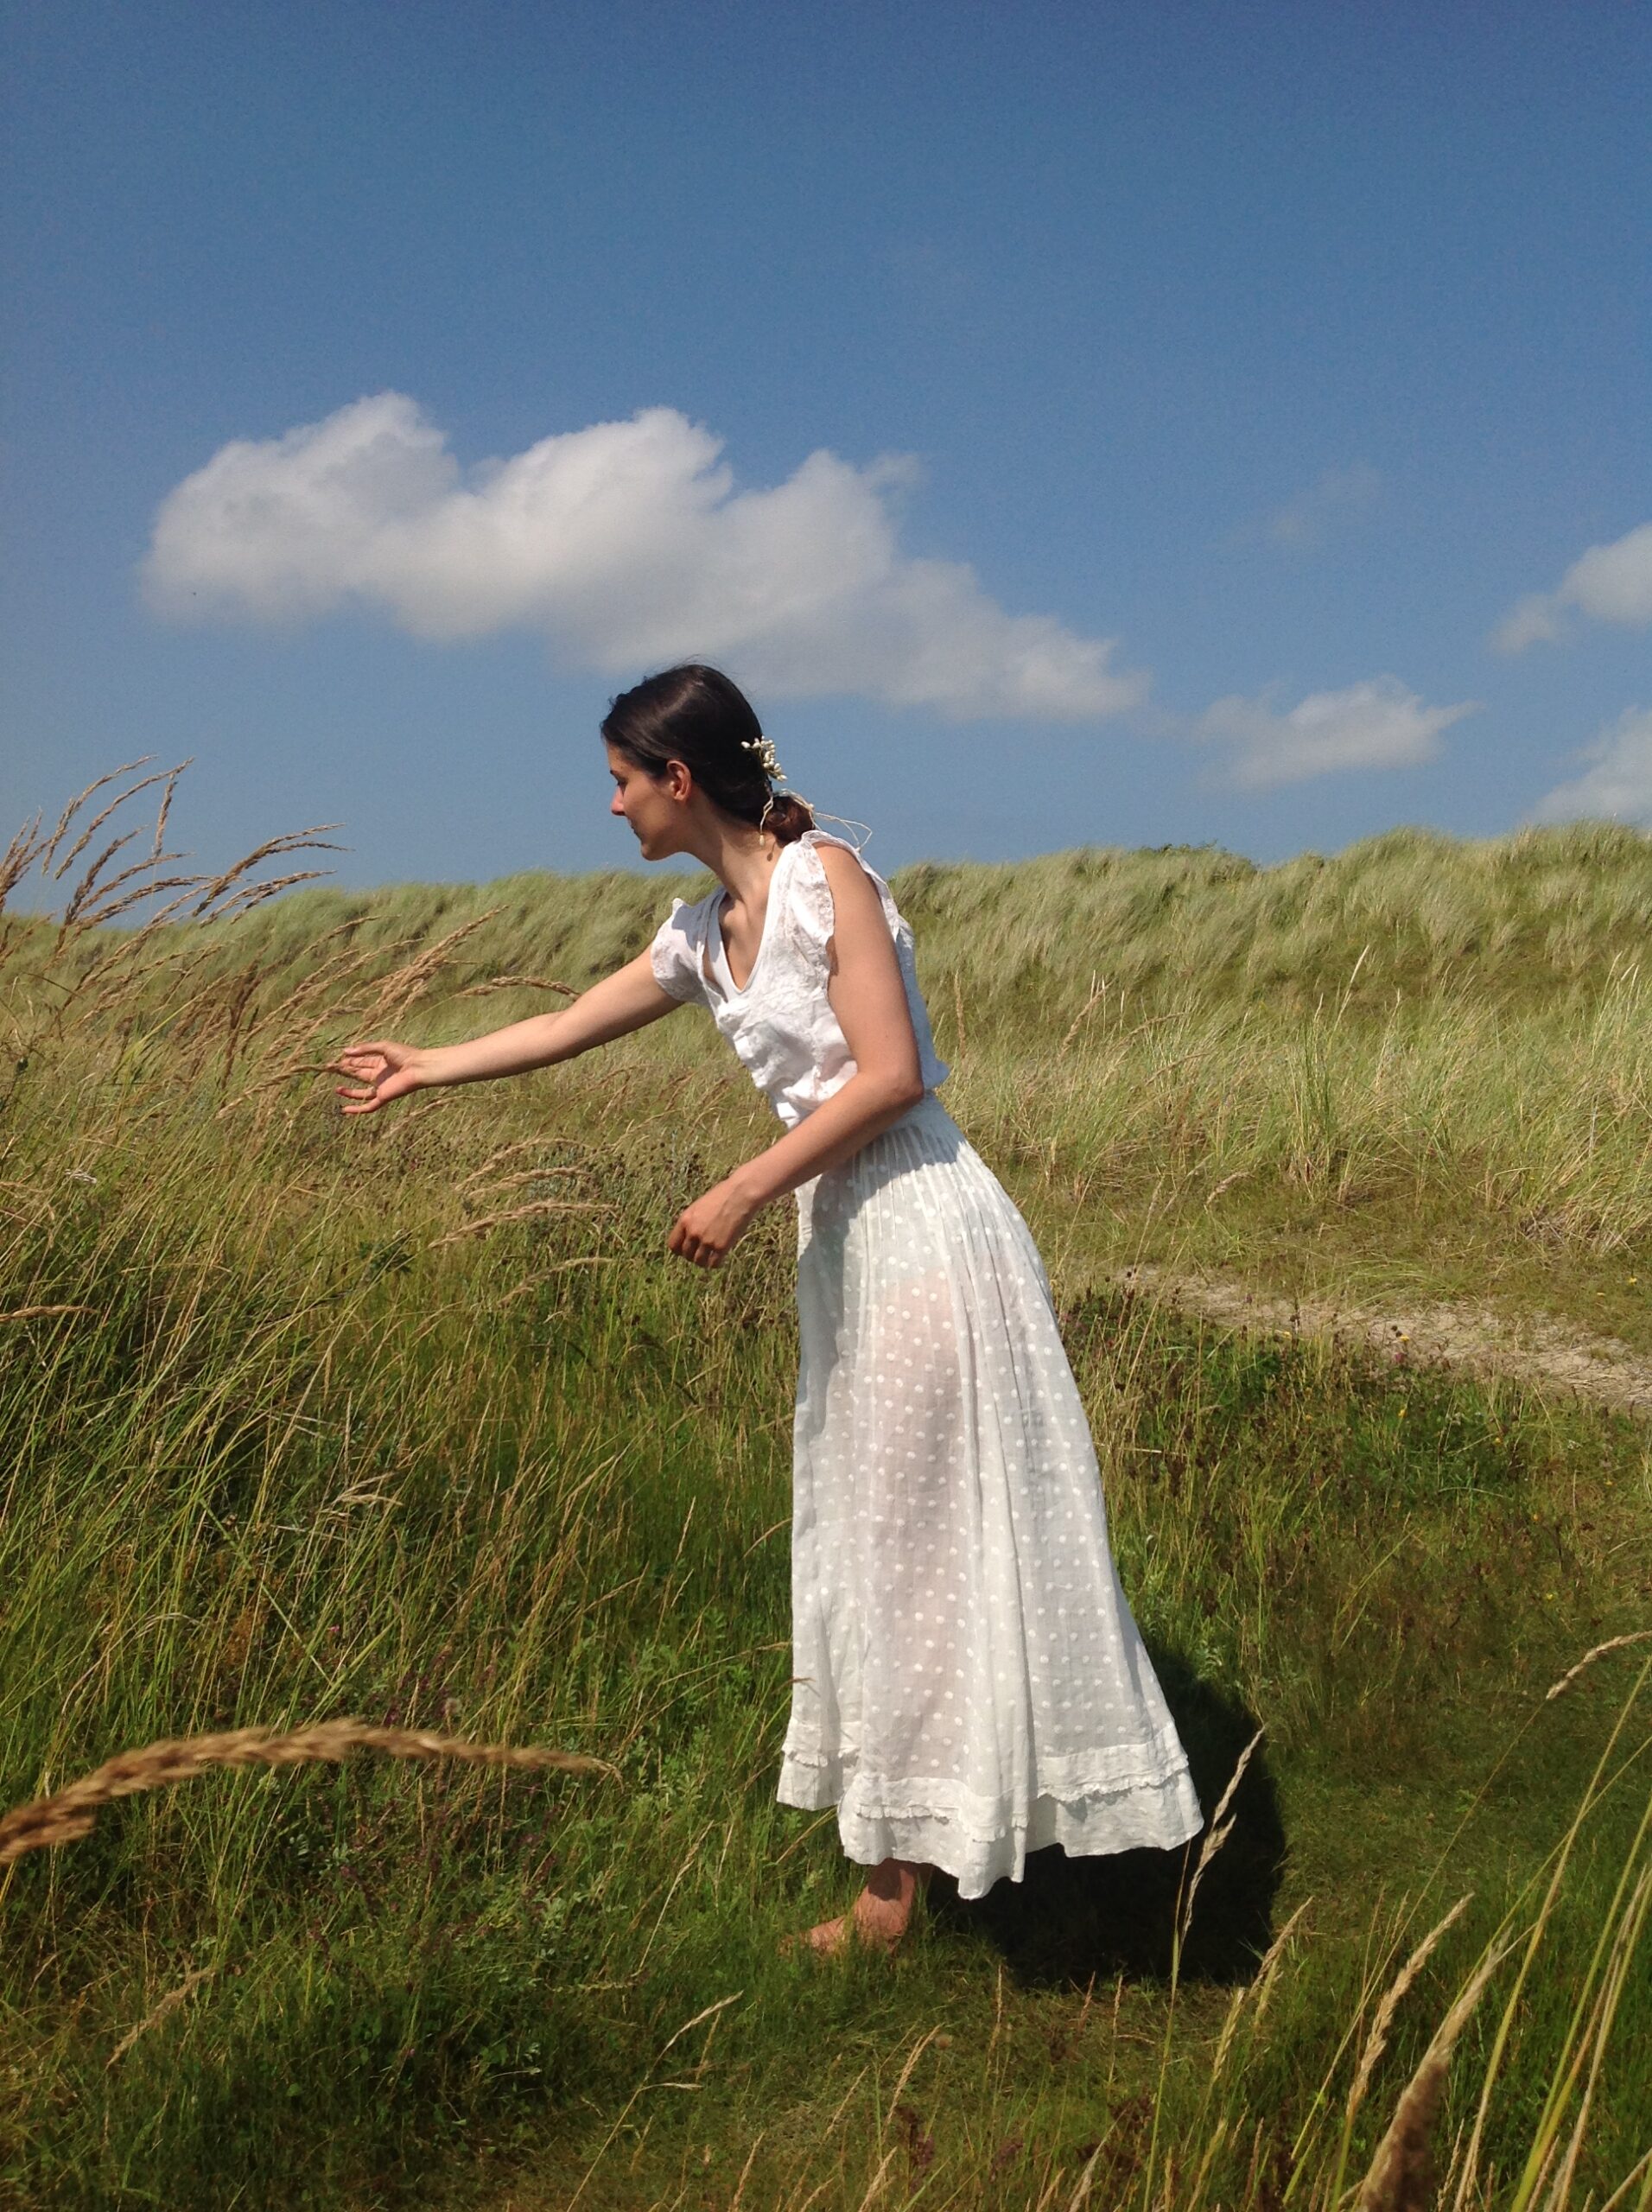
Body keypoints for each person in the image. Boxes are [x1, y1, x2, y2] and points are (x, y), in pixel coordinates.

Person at [333, 664, 1204, 1956]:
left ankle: (910, 1890)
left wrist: (743, 1184)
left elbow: (894, 1074)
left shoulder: (825, 879)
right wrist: (427, 1066)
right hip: (845, 1234)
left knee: (919, 1540)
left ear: (679, 781)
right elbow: (572, 1025)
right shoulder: (698, 933)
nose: (612, 805)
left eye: (623, 781)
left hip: (922, 1222)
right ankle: (921, 1867)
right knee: (878, 1543)